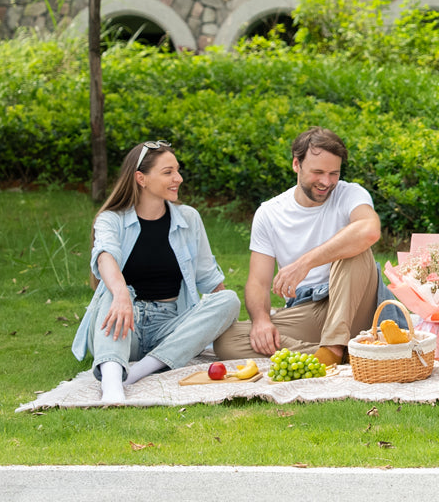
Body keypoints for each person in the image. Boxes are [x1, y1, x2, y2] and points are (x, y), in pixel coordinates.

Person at [72, 140, 240, 404]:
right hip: (124, 323)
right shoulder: (112, 219)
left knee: (230, 299)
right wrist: (120, 295)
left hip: (170, 325)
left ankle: (137, 371)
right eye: (168, 172)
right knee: (114, 291)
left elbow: (209, 278)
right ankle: (113, 383)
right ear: (141, 178)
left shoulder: (189, 218)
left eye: (177, 171)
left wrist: (224, 317)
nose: (179, 178)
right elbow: (105, 257)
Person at [214, 127, 382, 366]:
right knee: (227, 340)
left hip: (355, 304)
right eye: (318, 172)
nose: (326, 182)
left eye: (334, 173)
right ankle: (340, 353)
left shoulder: (350, 194)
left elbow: (369, 229)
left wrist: (305, 263)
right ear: (296, 164)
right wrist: (261, 320)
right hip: (307, 311)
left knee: (355, 247)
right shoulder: (270, 213)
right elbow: (258, 283)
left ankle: (333, 346)